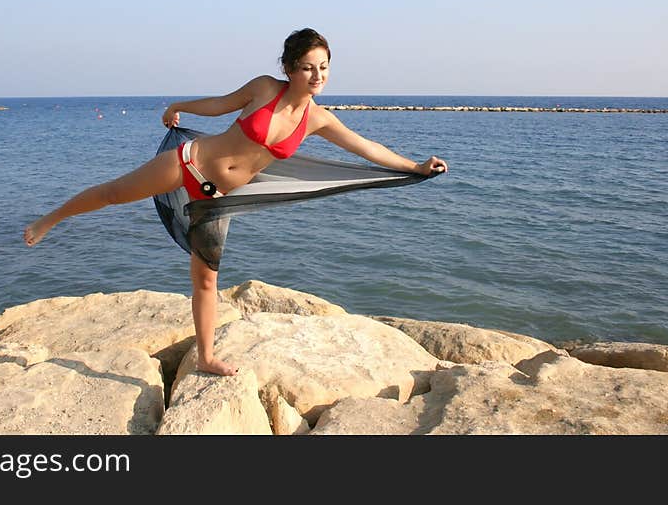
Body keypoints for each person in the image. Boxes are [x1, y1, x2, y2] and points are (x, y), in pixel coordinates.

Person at [24, 28, 447, 376]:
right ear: (288, 68)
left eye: (324, 67)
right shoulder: (264, 88)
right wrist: (178, 106)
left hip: (217, 200)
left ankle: (206, 357)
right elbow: (219, 104)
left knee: (205, 281)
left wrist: (415, 165)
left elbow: (366, 147)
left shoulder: (318, 118)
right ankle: (50, 220)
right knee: (112, 193)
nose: (317, 75)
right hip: (189, 164)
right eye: (307, 67)